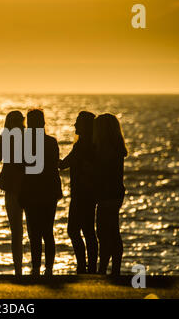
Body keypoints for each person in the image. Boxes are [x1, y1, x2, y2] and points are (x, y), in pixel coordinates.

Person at [19, 109, 62, 276]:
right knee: (46, 231)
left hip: (33, 192)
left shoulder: (26, 143)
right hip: (48, 191)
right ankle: (47, 269)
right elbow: (53, 167)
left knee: (34, 233)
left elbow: (22, 167)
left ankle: (37, 268)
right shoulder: (51, 142)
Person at [59, 111, 98, 274]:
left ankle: (83, 266)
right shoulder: (91, 144)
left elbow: (63, 164)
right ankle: (90, 267)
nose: (74, 125)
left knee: (74, 230)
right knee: (88, 231)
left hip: (81, 194)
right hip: (88, 193)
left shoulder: (82, 146)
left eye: (77, 122)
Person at [93, 113, 127, 276]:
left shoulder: (106, 150)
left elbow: (102, 173)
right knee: (111, 231)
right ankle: (111, 268)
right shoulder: (117, 149)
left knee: (106, 232)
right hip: (115, 193)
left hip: (108, 195)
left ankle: (108, 269)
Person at [0, 111, 25, 276]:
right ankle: (26, 268)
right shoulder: (28, 137)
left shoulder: (7, 137)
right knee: (26, 230)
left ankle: (19, 268)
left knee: (17, 231)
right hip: (24, 187)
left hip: (13, 187)